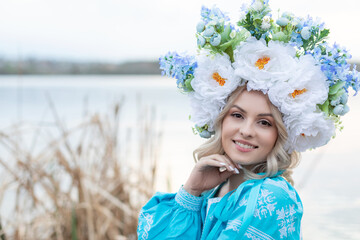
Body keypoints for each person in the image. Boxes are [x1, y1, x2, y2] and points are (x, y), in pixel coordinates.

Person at [138, 1, 360, 239]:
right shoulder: (214, 188)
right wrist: (191, 192)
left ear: (282, 134)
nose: (246, 131)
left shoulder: (271, 197)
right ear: (221, 119)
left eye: (264, 122)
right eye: (237, 115)